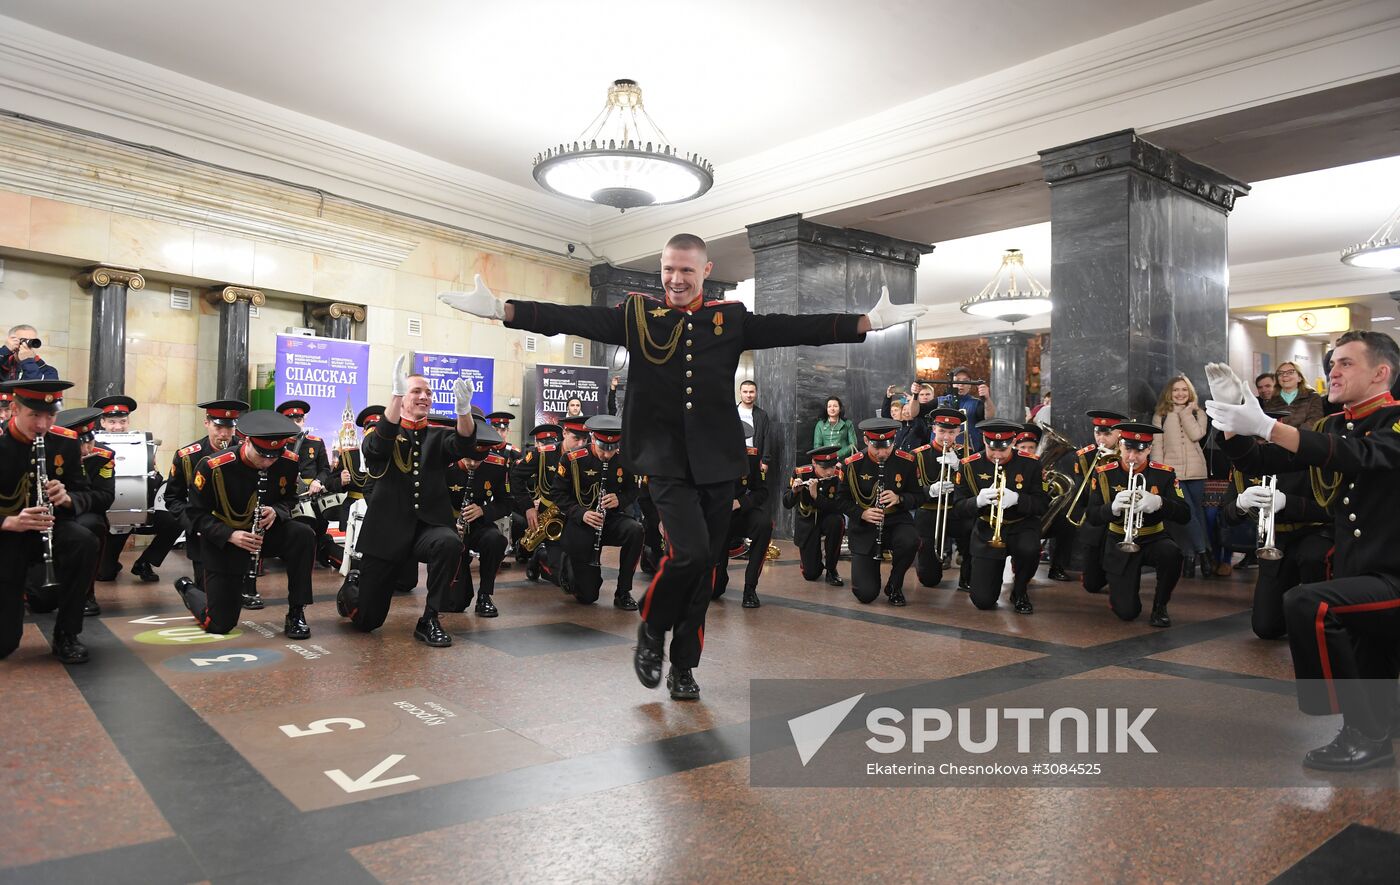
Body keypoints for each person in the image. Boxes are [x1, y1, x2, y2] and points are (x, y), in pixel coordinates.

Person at [440, 232, 924, 694]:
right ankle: (651, 626)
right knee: (688, 555)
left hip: (718, 462)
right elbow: (573, 317)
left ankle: (684, 668)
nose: (676, 279)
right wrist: (504, 311)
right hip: (663, 459)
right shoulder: (636, 316)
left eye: (687, 270)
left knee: (706, 570)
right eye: (669, 269)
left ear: (706, 271)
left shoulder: (729, 319)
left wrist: (867, 322)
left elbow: (792, 327)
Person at [1203, 332, 1400, 770]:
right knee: (1370, 655)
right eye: (1333, 362)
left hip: (1393, 573)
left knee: (1309, 602)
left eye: (1346, 363)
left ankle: (1364, 734)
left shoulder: (1394, 422)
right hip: (1360, 572)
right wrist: (1234, 422)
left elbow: (1360, 455)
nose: (1333, 369)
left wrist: (1271, 426)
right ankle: (1378, 723)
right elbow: (1261, 462)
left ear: (1381, 373)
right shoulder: (1333, 424)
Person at [337, 361, 478, 647]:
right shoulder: (381, 433)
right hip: (387, 532)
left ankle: (430, 619)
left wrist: (464, 411)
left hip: (427, 528)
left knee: (449, 542)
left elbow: (464, 446)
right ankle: (352, 587)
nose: (424, 396)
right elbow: (377, 449)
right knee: (368, 621)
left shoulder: (438, 436)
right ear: (402, 399)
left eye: (428, 392)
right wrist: (395, 396)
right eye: (416, 391)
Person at [174, 411, 315, 639]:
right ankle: (187, 587)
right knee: (219, 624)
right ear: (247, 441)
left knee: (302, 534)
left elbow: (290, 498)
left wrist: (277, 511)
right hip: (225, 540)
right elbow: (195, 514)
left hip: (264, 533)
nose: (268, 462)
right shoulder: (213, 467)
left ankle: (297, 611)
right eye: (263, 455)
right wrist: (230, 535)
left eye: (274, 456)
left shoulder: (287, 462)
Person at [0, 380, 104, 663]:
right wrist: (7, 521)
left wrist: (67, 497)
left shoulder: (64, 441)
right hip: (6, 535)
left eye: (50, 416)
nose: (43, 424)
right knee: (4, 644)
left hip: (48, 527)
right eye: (34, 415)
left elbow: (85, 491)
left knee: (83, 542)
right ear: (13, 409)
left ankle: (67, 634)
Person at [1084, 422, 1189, 626]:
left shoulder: (1165, 474)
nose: (1132, 457)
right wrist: (1112, 508)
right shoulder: (1104, 473)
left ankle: (1160, 605)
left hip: (1153, 536)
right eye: (1128, 449)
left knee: (1172, 553)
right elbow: (1092, 515)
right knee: (1127, 612)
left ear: (1149, 449)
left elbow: (1185, 514)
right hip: (1118, 539)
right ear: (1120, 446)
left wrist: (1159, 502)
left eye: (1139, 451)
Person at [1216, 456, 1329, 640]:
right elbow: (1225, 516)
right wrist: (1240, 504)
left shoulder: (1309, 454)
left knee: (1312, 558)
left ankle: (1317, 616)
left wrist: (1287, 502)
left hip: (1312, 533)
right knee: (1265, 627)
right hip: (1276, 540)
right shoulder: (1247, 461)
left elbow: (1331, 510)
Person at [953, 419, 1048, 614]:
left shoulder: (1031, 464)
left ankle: (1020, 590)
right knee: (983, 601)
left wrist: (1018, 499)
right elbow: (958, 507)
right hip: (987, 528)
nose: (997, 455)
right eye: (992, 449)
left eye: (1002, 450)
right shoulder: (969, 465)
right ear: (984, 442)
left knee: (1030, 549)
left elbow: (1042, 504)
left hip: (1021, 525)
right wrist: (977, 501)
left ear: (1012, 443)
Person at [551, 414, 642, 610]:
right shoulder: (572, 459)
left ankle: (623, 591)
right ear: (593, 438)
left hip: (610, 520)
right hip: (581, 522)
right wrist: (580, 513)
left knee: (635, 530)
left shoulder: (625, 459)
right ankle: (569, 562)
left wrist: (621, 500)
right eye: (603, 449)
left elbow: (634, 489)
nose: (607, 455)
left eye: (613, 449)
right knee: (588, 596)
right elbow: (557, 494)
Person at [92, 394, 182, 583]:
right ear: (102, 422)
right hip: (110, 521)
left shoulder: (140, 444)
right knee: (104, 575)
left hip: (139, 514)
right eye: (112, 422)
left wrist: (151, 467)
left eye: (122, 421)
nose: (118, 426)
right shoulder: (92, 445)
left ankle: (145, 562)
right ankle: (109, 562)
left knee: (176, 519)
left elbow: (155, 483)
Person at [837, 418, 922, 606]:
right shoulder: (852, 464)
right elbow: (840, 501)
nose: (883, 453)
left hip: (896, 520)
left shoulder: (906, 461)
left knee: (911, 540)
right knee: (866, 594)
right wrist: (861, 512)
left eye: (887, 446)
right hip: (865, 526)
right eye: (877, 447)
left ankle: (895, 584)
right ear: (867, 441)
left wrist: (899, 499)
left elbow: (918, 496)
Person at [167, 400, 246, 600]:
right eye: (218, 427)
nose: (224, 434)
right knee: (208, 596)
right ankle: (186, 587)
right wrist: (193, 524)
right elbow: (173, 498)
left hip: (238, 529)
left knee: (235, 595)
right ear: (207, 423)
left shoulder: (246, 452)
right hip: (203, 531)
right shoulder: (187, 457)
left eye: (229, 428)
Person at [50, 408, 114, 617]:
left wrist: (72, 501)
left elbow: (105, 496)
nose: (87, 450)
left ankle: (86, 593)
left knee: (91, 527)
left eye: (90, 441)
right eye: (81, 444)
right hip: (53, 513)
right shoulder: (53, 452)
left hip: (85, 511)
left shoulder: (103, 457)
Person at [445, 422, 511, 617]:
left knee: (496, 540)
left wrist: (483, 510)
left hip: (478, 524)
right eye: (468, 458)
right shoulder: (445, 463)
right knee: (456, 604)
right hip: (448, 526)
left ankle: (485, 595)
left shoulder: (497, 465)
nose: (473, 464)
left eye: (478, 459)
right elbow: (429, 501)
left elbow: (506, 503)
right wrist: (449, 524)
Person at [1064, 410, 1130, 594]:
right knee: (1091, 585)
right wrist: (1099, 470)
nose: (1101, 438)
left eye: (1107, 433)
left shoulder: (1129, 453)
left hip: (1120, 519)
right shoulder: (1085, 456)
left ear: (1119, 434)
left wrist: (1115, 463)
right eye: (1097, 433)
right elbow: (1082, 496)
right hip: (1097, 519)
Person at [1152, 374, 1211, 579]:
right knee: (1185, 515)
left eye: (1184, 390)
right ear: (1169, 392)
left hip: (1197, 472)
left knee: (1196, 514)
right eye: (1176, 389)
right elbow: (1157, 446)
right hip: (1172, 472)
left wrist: (1187, 413)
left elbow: (1196, 435)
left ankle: (1190, 558)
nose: (1180, 393)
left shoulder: (1198, 413)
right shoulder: (1160, 415)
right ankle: (1202, 554)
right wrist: (1159, 472)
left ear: (1190, 392)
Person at [713, 420, 771, 608]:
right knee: (715, 591)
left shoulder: (752, 457)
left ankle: (750, 588)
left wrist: (741, 502)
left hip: (739, 512)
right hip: (715, 519)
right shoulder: (708, 457)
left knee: (764, 523)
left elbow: (762, 491)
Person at [276, 400, 339, 569]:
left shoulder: (315, 442)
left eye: (298, 420)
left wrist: (318, 481)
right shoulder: (277, 444)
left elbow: (325, 469)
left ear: (303, 421)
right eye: (290, 420)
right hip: (287, 497)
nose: (295, 424)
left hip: (312, 496)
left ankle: (318, 550)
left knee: (318, 525)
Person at [911, 408, 965, 588]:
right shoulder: (918, 455)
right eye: (942, 431)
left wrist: (959, 467)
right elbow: (908, 490)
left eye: (951, 432)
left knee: (975, 532)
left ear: (959, 432)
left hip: (957, 511)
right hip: (929, 512)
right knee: (929, 579)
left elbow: (976, 488)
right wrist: (929, 491)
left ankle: (968, 574)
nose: (946, 437)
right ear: (934, 429)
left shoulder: (967, 455)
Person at [513, 421, 570, 587]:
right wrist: (528, 506)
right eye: (543, 442)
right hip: (549, 511)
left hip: (573, 511)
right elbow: (516, 478)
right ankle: (540, 557)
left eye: (551, 440)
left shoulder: (581, 455)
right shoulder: (540, 455)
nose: (548, 445)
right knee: (563, 578)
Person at [784, 445, 845, 586]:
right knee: (811, 574)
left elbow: (840, 506)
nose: (829, 472)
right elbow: (786, 503)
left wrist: (816, 496)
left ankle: (831, 568)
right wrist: (794, 492)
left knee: (837, 522)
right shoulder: (800, 473)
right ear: (814, 463)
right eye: (824, 468)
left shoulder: (839, 474)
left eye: (832, 467)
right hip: (807, 520)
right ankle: (811, 561)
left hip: (828, 516)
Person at [936, 368, 995, 451]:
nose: (961, 384)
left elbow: (989, 417)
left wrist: (987, 398)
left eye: (965, 381)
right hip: (941, 450)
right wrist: (915, 395)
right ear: (951, 383)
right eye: (957, 381)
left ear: (970, 385)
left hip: (969, 450)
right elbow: (913, 413)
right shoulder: (939, 400)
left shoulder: (976, 403)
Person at [1263, 361, 1325, 429]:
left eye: (1290, 372)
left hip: (1303, 438)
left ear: (1299, 378)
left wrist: (1291, 435)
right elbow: (1266, 425)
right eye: (1280, 373)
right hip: (1276, 439)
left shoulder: (1313, 397)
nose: (1284, 375)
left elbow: (1314, 422)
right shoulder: (1271, 401)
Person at [736, 380, 771, 464]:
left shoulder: (762, 415)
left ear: (756, 393)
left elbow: (766, 438)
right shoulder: (732, 413)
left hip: (754, 458)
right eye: (745, 392)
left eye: (751, 392)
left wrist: (765, 461)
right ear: (740, 393)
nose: (748, 395)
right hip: (734, 457)